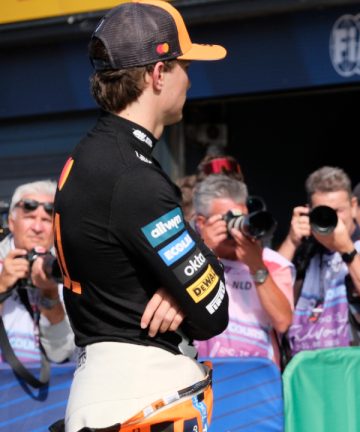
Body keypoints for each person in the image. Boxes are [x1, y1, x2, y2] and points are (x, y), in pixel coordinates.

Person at [53, 1, 229, 430]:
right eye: (183, 64)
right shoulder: (132, 175)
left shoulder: (93, 152)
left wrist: (180, 287)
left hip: (108, 389)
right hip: (140, 397)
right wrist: (191, 284)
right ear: (157, 74)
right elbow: (212, 312)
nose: (190, 77)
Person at [278, 166, 360, 357]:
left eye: (338, 210)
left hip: (357, 371)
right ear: (309, 211)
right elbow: (268, 294)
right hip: (304, 373)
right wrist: (291, 241)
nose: (333, 218)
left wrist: (346, 249)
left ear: (353, 206)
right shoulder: (303, 250)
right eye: (324, 211)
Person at [192, 175, 294, 366]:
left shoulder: (273, 263)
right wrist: (203, 251)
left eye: (241, 218)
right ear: (201, 222)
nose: (235, 227)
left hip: (258, 380)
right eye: (227, 220)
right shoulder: (187, 260)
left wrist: (256, 266)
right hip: (204, 376)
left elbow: (283, 322)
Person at [0, 181, 75, 375]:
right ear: (11, 222)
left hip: (48, 398)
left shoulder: (65, 271)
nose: (37, 227)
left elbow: (61, 354)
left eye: (46, 220)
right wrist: (1, 288)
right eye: (30, 217)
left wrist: (50, 295)